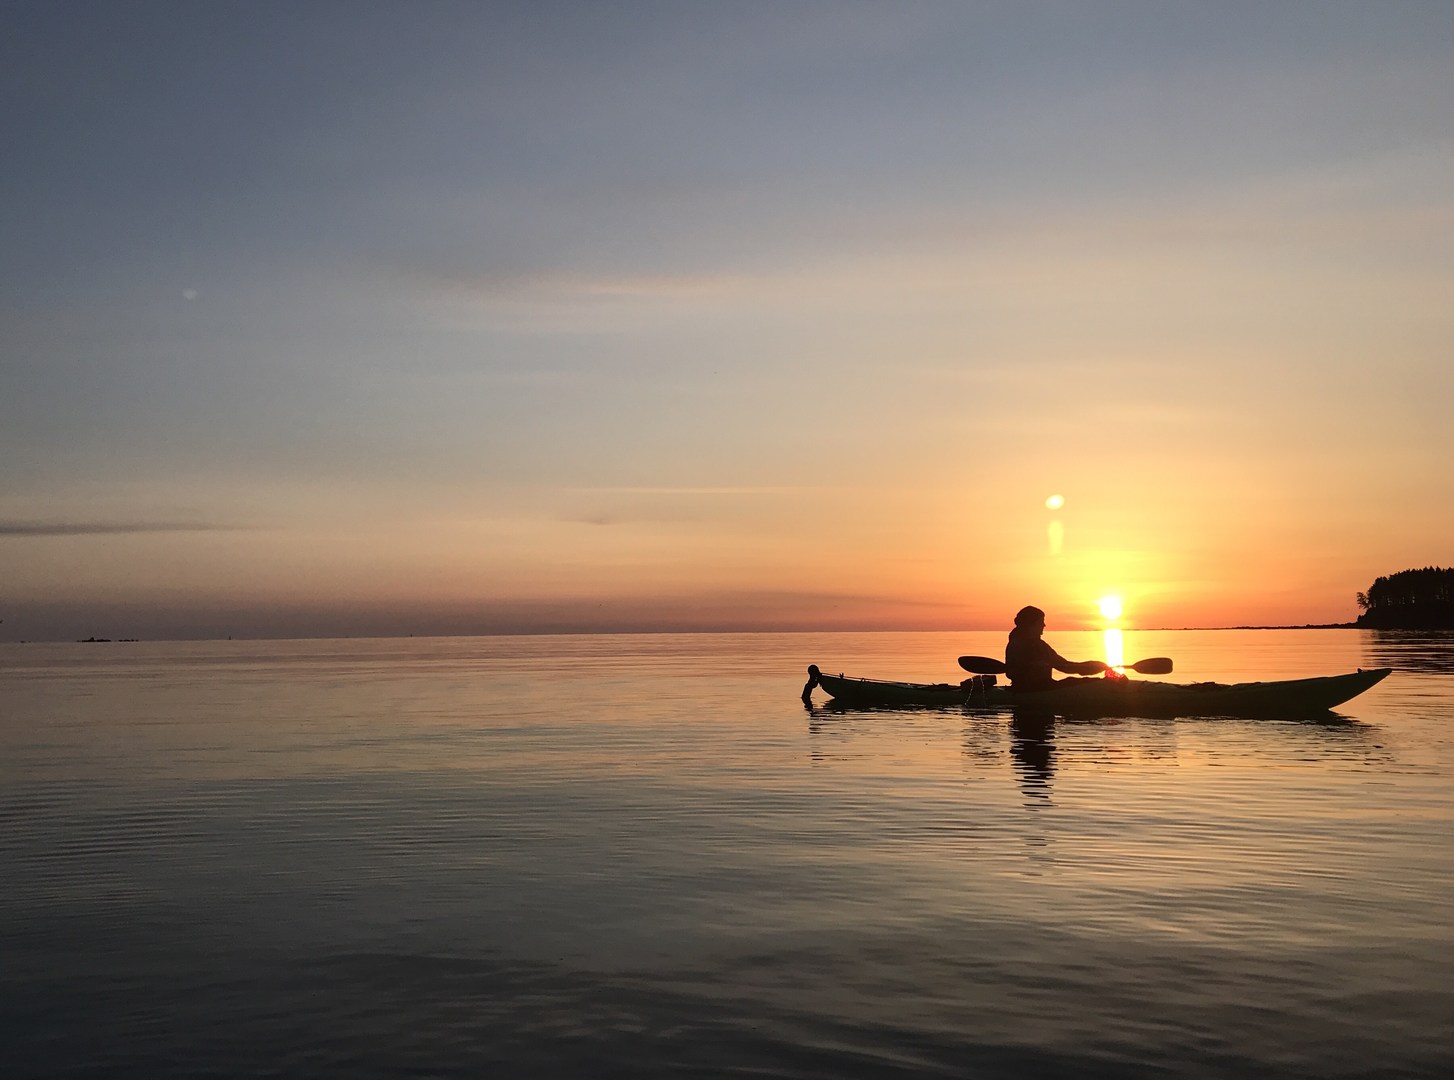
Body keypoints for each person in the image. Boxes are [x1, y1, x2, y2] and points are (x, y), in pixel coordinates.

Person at [1005, 606, 1108, 691]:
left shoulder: (1041, 646)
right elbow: (1011, 673)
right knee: (1072, 682)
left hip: (1046, 686)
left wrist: (1095, 666)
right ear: (1031, 625)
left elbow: (1066, 666)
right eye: (1041, 622)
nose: (1044, 625)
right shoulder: (1016, 644)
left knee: (1073, 680)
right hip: (1029, 690)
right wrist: (1030, 667)